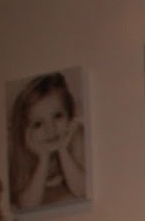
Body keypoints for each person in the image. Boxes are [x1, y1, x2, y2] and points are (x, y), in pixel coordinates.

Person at [8, 72, 87, 210]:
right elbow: (28, 205)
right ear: (25, 132)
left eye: (57, 116)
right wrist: (43, 159)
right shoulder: (22, 152)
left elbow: (82, 190)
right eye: (38, 124)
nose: (50, 129)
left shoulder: (76, 136)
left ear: (70, 116)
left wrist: (63, 150)